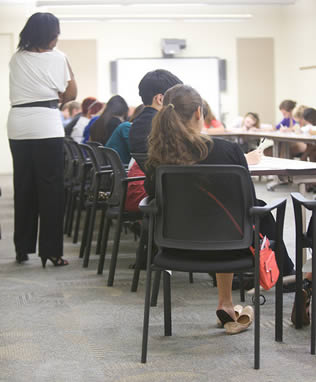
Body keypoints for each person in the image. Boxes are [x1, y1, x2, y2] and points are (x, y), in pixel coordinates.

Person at [145, 84, 255, 333]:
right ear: (199, 112)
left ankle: (226, 305)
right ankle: (231, 302)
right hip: (231, 248)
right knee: (234, 221)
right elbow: (249, 202)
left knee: (214, 220)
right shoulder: (228, 151)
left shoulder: (156, 157)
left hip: (174, 248)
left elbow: (152, 199)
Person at [7, 12, 77, 267]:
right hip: (47, 124)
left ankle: (22, 248)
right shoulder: (59, 58)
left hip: (18, 125)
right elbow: (71, 92)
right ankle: (52, 252)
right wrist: (59, 96)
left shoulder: (16, 59)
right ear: (49, 35)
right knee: (51, 189)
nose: (57, 39)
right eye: (55, 34)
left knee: (23, 186)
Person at [126, 69, 183, 212]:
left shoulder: (137, 123)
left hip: (154, 187)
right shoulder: (161, 125)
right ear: (161, 99)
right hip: (168, 191)